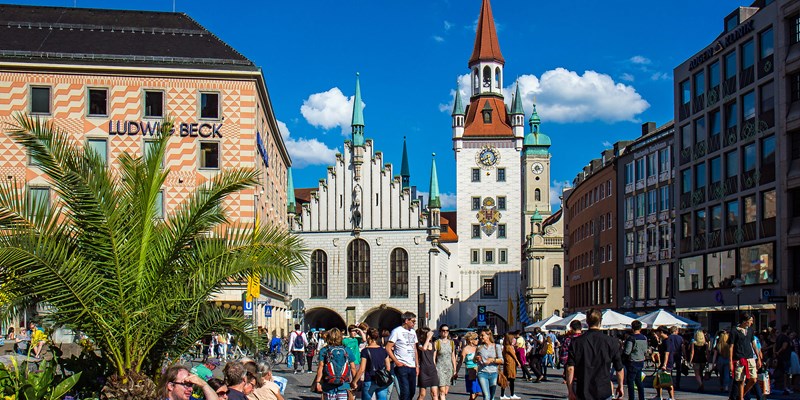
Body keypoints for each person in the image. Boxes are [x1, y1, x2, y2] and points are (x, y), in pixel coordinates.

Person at [565, 308, 624, 400]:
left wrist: (570, 390)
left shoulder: (576, 342)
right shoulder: (611, 341)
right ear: (600, 321)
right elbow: (619, 368)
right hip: (603, 390)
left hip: (583, 390)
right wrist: (620, 386)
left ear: (587, 322)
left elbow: (570, 368)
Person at [315, 327, 358, 400]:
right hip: (344, 385)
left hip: (328, 385)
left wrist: (318, 382)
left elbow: (320, 367)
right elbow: (353, 368)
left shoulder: (324, 350)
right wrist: (355, 382)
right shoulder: (346, 350)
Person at [386, 312, 419, 400]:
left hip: (412, 365)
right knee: (405, 392)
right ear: (406, 320)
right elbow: (388, 348)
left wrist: (417, 365)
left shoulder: (413, 332)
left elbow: (414, 349)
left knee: (412, 391)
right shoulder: (397, 331)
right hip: (402, 365)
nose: (414, 323)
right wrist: (396, 361)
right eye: (413, 321)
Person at [728, 313, 761, 400]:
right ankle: (741, 397)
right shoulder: (734, 331)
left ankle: (740, 396)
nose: (752, 323)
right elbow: (731, 347)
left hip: (750, 357)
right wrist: (730, 361)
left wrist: (759, 358)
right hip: (739, 358)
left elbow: (753, 344)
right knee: (740, 380)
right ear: (744, 321)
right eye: (750, 321)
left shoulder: (750, 330)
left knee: (753, 379)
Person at [355, 327, 391, 400]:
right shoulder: (383, 350)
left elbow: (362, 369)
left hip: (369, 380)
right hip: (382, 380)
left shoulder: (365, 351)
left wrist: (354, 381)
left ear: (368, 336)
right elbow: (388, 367)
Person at [475, 328, 503, 400]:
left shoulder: (496, 346)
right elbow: (474, 359)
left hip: (494, 373)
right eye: (480, 336)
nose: (480, 337)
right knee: (486, 396)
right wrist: (477, 359)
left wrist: (492, 360)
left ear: (488, 335)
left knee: (492, 397)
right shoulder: (479, 347)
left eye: (482, 335)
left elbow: (502, 360)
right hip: (482, 373)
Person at [621, 320, 646, 400]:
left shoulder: (631, 338)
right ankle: (641, 398)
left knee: (630, 382)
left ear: (632, 328)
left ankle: (631, 398)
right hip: (641, 361)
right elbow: (645, 350)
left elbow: (627, 351)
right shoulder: (644, 338)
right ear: (640, 328)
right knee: (639, 382)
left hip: (632, 361)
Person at [454, 331, 481, 400]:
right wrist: (456, 372)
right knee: (472, 393)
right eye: (476, 338)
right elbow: (460, 362)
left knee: (478, 393)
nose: (478, 340)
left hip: (478, 371)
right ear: (471, 340)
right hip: (470, 372)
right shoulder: (465, 349)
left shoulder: (478, 348)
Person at [433, 324, 456, 400]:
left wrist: (455, 369)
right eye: (443, 330)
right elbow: (434, 357)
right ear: (440, 332)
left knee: (445, 392)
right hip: (440, 368)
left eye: (447, 330)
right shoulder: (437, 342)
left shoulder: (451, 343)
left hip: (449, 368)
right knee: (442, 391)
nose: (445, 332)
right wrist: (434, 367)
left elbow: (453, 357)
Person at [416, 326, 440, 399]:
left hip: (432, 370)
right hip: (423, 370)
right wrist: (428, 338)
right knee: (422, 394)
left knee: (435, 393)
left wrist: (435, 368)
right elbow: (424, 348)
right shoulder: (419, 344)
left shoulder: (433, 344)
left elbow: (433, 358)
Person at [499, 333, 520, 400]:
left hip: (508, 363)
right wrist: (518, 362)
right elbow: (514, 355)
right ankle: (511, 394)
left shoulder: (505, 346)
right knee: (511, 379)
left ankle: (503, 394)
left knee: (507, 379)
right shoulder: (509, 347)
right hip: (510, 364)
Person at [774, 324, 794, 394]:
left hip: (780, 357)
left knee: (780, 371)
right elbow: (784, 347)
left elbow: (775, 345)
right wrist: (778, 352)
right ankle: (786, 387)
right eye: (788, 329)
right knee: (786, 372)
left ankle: (780, 386)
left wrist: (775, 353)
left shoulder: (779, 337)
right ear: (786, 330)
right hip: (785, 357)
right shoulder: (786, 338)